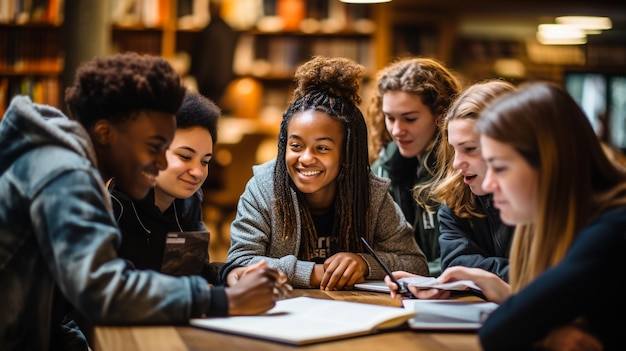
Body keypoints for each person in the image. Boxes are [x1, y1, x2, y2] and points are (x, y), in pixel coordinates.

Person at [0, 52, 286, 351]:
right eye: (154, 147)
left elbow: (55, 308)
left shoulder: (59, 162)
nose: (161, 162)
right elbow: (102, 290)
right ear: (105, 133)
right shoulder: (64, 173)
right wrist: (224, 299)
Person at [386, 82, 625, 351]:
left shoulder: (612, 230)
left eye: (500, 167)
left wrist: (540, 327)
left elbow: (500, 332)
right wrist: (492, 284)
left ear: (546, 161)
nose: (490, 185)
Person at [221, 56, 429, 291]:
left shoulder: (370, 193)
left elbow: (416, 264)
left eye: (322, 148)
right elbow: (239, 263)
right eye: (296, 146)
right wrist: (313, 273)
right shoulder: (263, 187)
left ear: (346, 154)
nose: (306, 158)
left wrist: (364, 263)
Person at [108, 91, 223, 283]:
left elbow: (192, 269)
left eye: (205, 161)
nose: (198, 172)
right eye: (185, 157)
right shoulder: (114, 206)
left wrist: (231, 273)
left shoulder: (189, 201)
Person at [367, 57, 462, 276]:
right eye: (390, 118)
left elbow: (460, 259)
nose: (397, 130)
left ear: (441, 114)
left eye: (409, 119)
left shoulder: (460, 168)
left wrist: (415, 273)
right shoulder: (384, 165)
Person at [431, 80, 516, 281]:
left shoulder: (552, 200)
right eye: (454, 150)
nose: (456, 164)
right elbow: (455, 264)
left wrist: (484, 275)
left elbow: (550, 274)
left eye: (469, 149)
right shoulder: (456, 199)